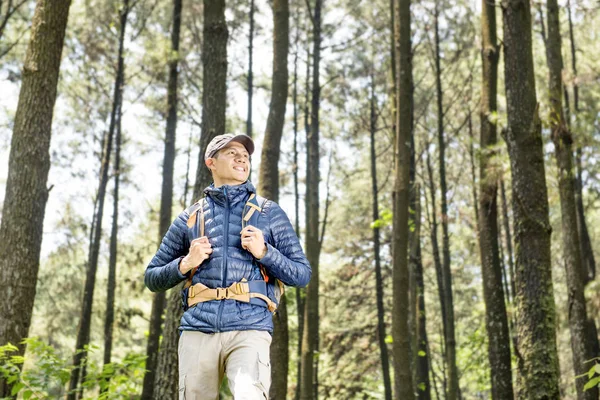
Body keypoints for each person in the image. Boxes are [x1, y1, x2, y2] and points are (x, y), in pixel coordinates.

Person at [145, 133, 311, 400]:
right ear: (211, 162)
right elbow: (152, 277)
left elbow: (302, 274)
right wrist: (187, 262)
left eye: (245, 155)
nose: (241, 158)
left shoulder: (269, 212)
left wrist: (265, 252)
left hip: (250, 327)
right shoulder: (190, 217)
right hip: (198, 328)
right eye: (232, 152)